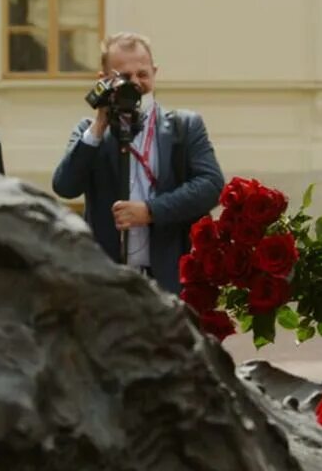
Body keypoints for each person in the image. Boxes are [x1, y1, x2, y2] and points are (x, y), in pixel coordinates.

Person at [52, 32, 224, 293]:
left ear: (154, 73)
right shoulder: (90, 133)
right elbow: (65, 187)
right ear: (104, 79)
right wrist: (100, 125)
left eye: (142, 75)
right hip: (109, 282)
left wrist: (150, 211)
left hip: (169, 280)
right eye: (124, 77)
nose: (135, 84)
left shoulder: (185, 126)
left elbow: (211, 186)